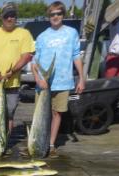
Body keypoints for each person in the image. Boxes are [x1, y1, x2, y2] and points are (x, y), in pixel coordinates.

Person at [0, 2, 34, 154]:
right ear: (1, 17)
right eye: (7, 16)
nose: (10, 18)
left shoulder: (24, 34)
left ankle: (4, 144)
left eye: (13, 16)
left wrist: (13, 71)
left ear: (16, 17)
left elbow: (26, 56)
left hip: (12, 82)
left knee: (8, 115)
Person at [32, 1, 85, 157]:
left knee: (57, 113)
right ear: (48, 16)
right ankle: (38, 141)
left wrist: (81, 78)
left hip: (63, 82)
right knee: (41, 114)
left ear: (63, 15)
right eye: (52, 14)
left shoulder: (72, 33)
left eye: (58, 14)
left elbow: (76, 55)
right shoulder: (42, 36)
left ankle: (51, 144)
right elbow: (34, 61)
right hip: (43, 83)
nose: (55, 17)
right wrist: (38, 79)